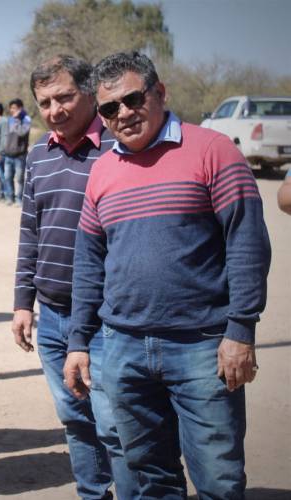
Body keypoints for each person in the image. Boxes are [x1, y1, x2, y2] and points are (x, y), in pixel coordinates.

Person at [63, 51, 271, 499]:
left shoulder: (213, 150)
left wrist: (241, 329)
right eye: (109, 108)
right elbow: (89, 263)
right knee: (147, 476)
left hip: (203, 346)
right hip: (123, 348)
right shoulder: (102, 171)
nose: (123, 114)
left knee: (218, 478)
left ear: (160, 92)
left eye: (133, 99)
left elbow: (247, 244)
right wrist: (79, 341)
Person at [12, 55, 136, 500]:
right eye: (44, 102)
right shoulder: (38, 156)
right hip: (53, 318)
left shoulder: (118, 150)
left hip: (106, 320)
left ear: (89, 92)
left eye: (64, 97)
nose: (55, 110)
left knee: (115, 425)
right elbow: (31, 232)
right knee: (75, 419)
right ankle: (92, 493)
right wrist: (23, 301)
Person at [0, 98, 32, 205]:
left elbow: (22, 133)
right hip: (8, 154)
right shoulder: (9, 119)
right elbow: (4, 135)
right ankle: (10, 197)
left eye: (14, 108)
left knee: (19, 178)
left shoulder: (26, 119)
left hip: (19, 155)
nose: (12, 110)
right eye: (11, 108)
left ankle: (19, 199)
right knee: (8, 177)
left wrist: (17, 120)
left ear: (20, 108)